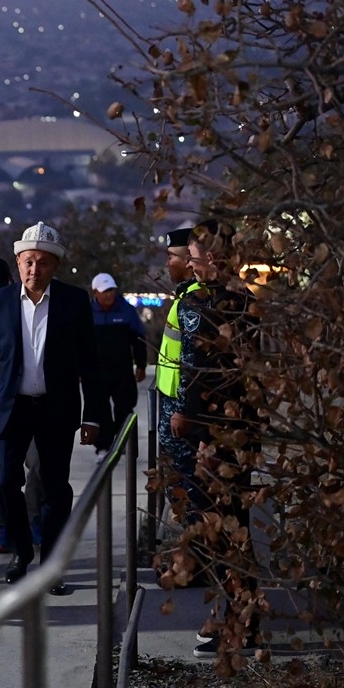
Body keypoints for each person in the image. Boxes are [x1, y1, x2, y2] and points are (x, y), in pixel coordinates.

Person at [0, 222, 106, 594]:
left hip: (55, 408)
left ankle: (50, 565)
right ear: (18, 263)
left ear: (55, 267)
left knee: (55, 488)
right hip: (9, 408)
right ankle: (21, 553)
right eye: (29, 262)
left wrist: (93, 414)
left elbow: (89, 363)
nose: (35, 270)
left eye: (43, 263)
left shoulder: (74, 301)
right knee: (3, 484)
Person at [169, 219, 263, 658]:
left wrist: (188, 418)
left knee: (221, 531)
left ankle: (239, 625)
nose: (189, 263)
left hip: (212, 432)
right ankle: (239, 619)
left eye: (193, 254)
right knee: (233, 528)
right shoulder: (245, 301)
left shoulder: (207, 304)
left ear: (211, 257)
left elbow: (200, 369)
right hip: (239, 428)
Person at [0, 257, 44, 558]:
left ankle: (32, 520)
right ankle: (5, 526)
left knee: (38, 467)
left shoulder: (14, 306)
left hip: (28, 404)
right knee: (1, 478)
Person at [153, 229, 204, 534]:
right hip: (173, 404)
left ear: (188, 262)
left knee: (184, 480)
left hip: (180, 410)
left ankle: (191, 546)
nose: (167, 263)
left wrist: (181, 409)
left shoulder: (194, 301)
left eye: (172, 257)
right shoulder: (185, 296)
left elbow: (190, 362)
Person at [89, 272, 148, 457]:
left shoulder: (126, 311)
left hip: (122, 372)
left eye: (112, 290)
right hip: (97, 373)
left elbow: (138, 340)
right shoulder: (87, 313)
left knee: (124, 408)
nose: (109, 295)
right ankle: (103, 447)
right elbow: (79, 344)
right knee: (101, 410)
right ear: (95, 292)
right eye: (105, 291)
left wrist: (141, 365)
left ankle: (124, 444)